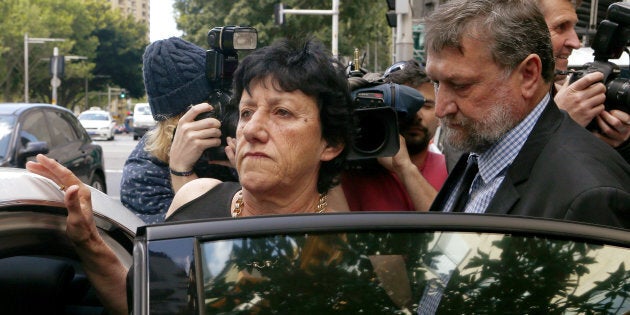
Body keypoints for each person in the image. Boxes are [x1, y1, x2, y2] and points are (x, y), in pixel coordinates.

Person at [25, 36, 354, 314]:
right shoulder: (194, 196)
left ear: (332, 143)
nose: (251, 129)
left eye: (281, 112)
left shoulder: (356, 247)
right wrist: (88, 239)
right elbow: (143, 302)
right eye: (246, 112)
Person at [424, 0, 630, 228]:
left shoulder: (589, 196)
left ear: (529, 75)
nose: (440, 109)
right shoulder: (483, 141)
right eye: (435, 83)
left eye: (461, 85)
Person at [120, 37, 237, 224]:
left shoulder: (242, 141)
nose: (226, 118)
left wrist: (251, 172)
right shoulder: (144, 174)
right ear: (182, 119)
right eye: (215, 109)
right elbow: (179, 248)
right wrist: (181, 172)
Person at [340, 60, 447, 211]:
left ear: (440, 116)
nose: (416, 115)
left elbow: (447, 230)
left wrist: (405, 169)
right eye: (405, 105)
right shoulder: (351, 169)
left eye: (426, 105)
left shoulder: (453, 169)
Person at [537, 0, 630, 163]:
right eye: (561, 27)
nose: (576, 43)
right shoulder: (486, 105)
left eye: (573, 27)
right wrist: (556, 123)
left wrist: (621, 143)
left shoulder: (573, 94)